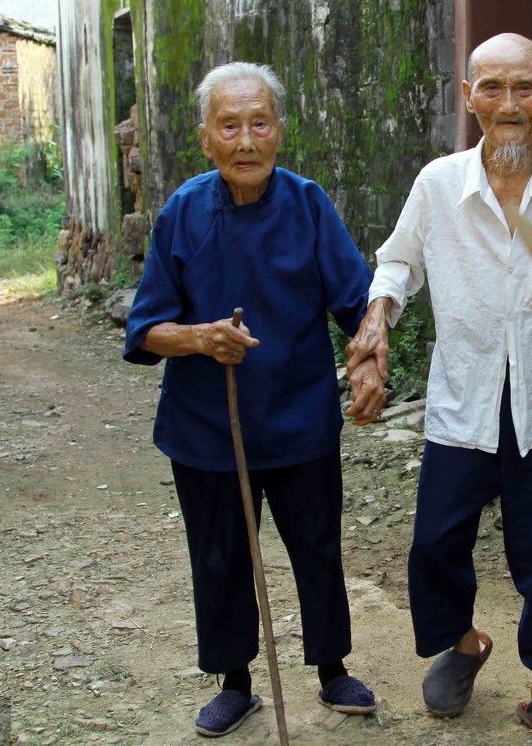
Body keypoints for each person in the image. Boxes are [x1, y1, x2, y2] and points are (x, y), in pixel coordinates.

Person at [346, 33, 532, 746]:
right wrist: (377, 319)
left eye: (523, 89)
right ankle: (462, 643)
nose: (507, 105)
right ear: (468, 97)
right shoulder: (438, 185)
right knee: (435, 543)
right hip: (464, 401)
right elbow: (397, 265)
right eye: (492, 88)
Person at [123, 62, 380, 738]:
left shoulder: (307, 203)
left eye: (258, 123)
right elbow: (145, 328)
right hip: (209, 426)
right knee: (221, 555)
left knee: (317, 545)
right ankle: (235, 680)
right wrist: (201, 337)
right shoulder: (183, 212)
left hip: (299, 415)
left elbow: (358, 302)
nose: (246, 140)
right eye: (229, 126)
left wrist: (368, 356)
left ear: (280, 132)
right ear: (205, 138)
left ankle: (332, 667)